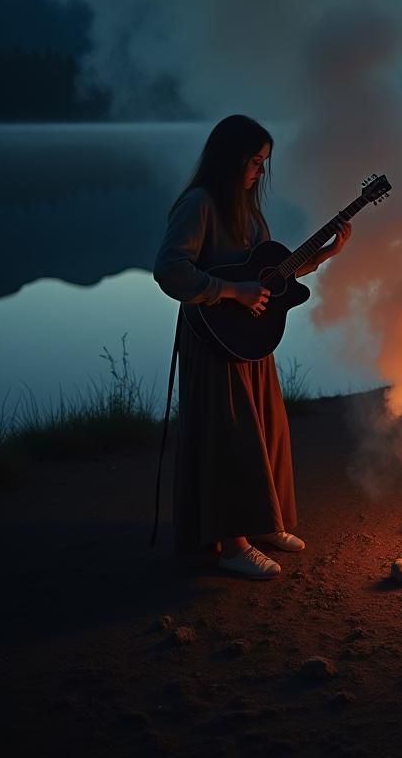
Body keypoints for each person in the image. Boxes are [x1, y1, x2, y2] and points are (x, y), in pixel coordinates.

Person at [153, 114, 351, 579]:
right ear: (230, 159)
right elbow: (169, 270)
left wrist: (322, 256)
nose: (259, 171)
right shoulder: (198, 205)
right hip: (213, 340)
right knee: (230, 436)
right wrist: (229, 291)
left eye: (264, 163)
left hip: (250, 340)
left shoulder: (249, 211)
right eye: (254, 161)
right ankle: (231, 545)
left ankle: (263, 522)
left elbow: (269, 276)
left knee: (265, 428)